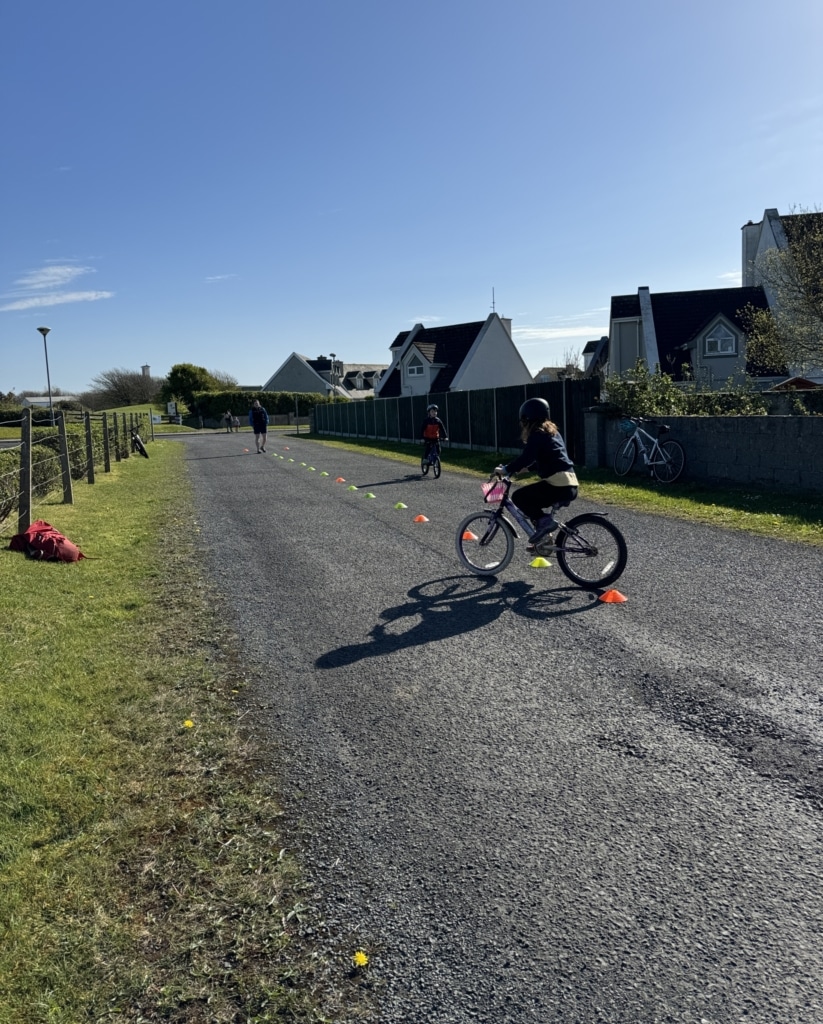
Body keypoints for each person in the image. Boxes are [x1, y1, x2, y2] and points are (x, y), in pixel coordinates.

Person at [494, 397, 578, 547]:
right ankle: (545, 541)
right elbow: (551, 456)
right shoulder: (553, 433)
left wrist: (506, 469)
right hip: (569, 482)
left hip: (558, 484)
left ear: (527, 418)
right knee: (534, 506)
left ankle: (545, 525)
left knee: (519, 497)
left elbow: (526, 457)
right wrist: (529, 468)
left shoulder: (537, 434)